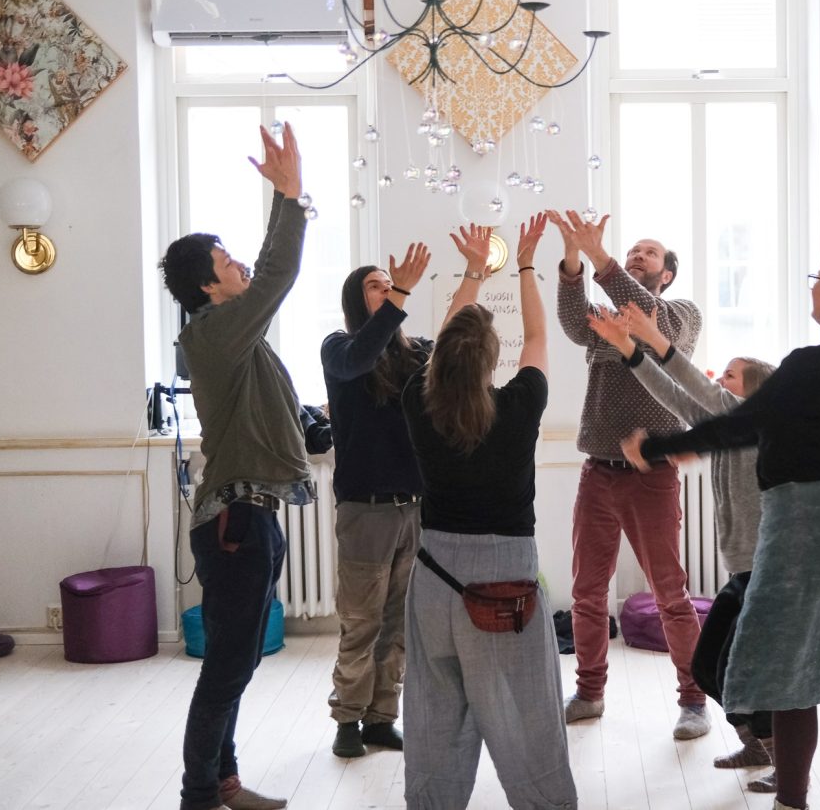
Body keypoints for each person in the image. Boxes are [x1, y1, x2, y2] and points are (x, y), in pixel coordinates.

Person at [622, 251, 820, 810]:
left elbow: (742, 421)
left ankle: (793, 802)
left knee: (787, 673)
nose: (812, 289)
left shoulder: (809, 365)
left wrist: (659, 447)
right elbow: (750, 423)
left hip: (810, 526)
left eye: (818, 281)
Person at [401, 213, 576, 810]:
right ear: (491, 361)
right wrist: (526, 264)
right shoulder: (520, 405)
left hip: (436, 578)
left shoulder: (418, 402)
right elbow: (539, 339)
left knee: (433, 713)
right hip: (505, 588)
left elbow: (445, 344)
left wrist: (474, 271)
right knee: (527, 717)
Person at [159, 122, 310, 810]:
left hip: (251, 518)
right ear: (206, 285)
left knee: (239, 661)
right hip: (234, 524)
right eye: (224, 260)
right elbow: (277, 274)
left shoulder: (230, 332)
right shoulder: (215, 332)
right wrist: (289, 198)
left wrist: (284, 200)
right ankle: (200, 795)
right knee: (226, 668)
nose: (238, 263)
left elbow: (264, 276)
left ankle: (222, 782)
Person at [587, 302, 778, 791]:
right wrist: (628, 347)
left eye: (730, 375)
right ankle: (755, 743)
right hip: (742, 569)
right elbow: (671, 393)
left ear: (751, 393)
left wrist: (652, 339)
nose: (719, 379)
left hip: (768, 571)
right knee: (710, 665)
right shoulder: (725, 424)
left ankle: (781, 757)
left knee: (744, 666)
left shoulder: (754, 424)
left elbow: (695, 386)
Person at [321, 226, 491, 758]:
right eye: (375, 285)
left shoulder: (415, 352)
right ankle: (347, 720)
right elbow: (360, 357)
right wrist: (401, 293)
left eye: (388, 283)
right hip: (365, 511)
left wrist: (474, 271)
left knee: (398, 622)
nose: (387, 289)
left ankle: (380, 718)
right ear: (357, 299)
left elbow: (454, 328)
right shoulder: (339, 348)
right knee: (361, 622)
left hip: (412, 508)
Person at [551, 208, 709, 739]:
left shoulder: (680, 316)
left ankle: (693, 700)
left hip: (652, 477)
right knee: (587, 593)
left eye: (650, 252)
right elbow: (572, 322)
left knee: (670, 595)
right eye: (633, 250)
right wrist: (573, 258)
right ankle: (589, 692)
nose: (639, 255)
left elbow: (649, 316)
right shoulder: (605, 318)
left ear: (667, 273)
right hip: (597, 472)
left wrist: (600, 257)